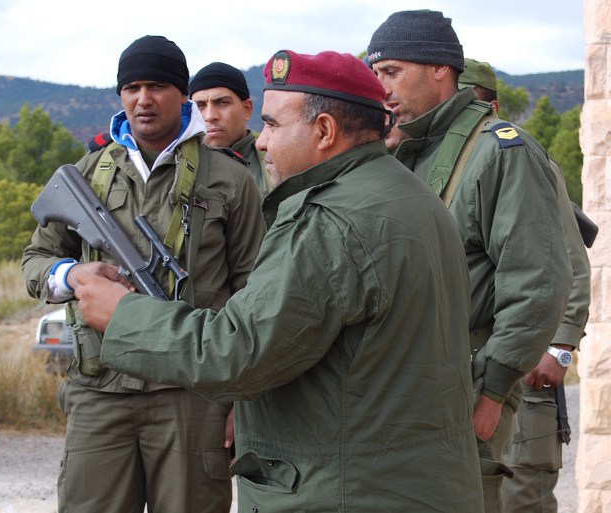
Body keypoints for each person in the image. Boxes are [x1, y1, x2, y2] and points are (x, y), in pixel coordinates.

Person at [71, 49, 484, 513]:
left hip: (342, 492)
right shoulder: (412, 196)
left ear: (324, 131)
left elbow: (238, 352)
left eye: (272, 125)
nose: (262, 143)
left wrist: (122, 315)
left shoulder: (329, 222)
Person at [22, 35, 266, 513]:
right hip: (100, 389)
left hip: (192, 393)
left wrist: (244, 400)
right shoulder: (90, 171)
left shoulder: (229, 177)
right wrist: (73, 274)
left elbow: (253, 294)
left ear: (181, 93)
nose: (143, 99)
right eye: (132, 88)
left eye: (157, 86)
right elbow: (36, 259)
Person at [366, 10, 573, 513]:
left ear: (440, 68)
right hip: (402, 386)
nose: (380, 87)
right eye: (374, 73)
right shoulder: (407, 151)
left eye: (391, 71)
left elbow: (537, 285)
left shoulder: (500, 153)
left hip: (467, 387)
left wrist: (493, 393)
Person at [457, 58, 591, 513]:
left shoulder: (519, 160)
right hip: (479, 361)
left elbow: (568, 263)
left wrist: (561, 347)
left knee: (522, 492)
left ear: (492, 107)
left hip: (527, 362)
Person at [189, 61, 271, 192]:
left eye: (222, 103)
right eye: (200, 106)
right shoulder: (179, 166)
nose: (210, 116)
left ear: (247, 109)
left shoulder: (274, 164)